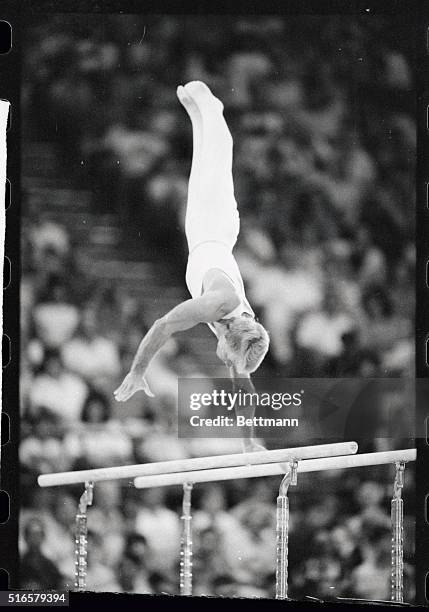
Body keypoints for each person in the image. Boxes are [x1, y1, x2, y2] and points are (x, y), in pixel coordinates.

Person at [115, 81, 269, 450]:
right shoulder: (218, 304)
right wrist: (138, 371)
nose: (230, 368)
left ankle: (198, 111)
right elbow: (163, 324)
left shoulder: (239, 335)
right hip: (212, 223)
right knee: (220, 149)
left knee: (206, 151)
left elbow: (243, 387)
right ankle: (209, 103)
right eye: (232, 363)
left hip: (205, 237)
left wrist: (248, 443)